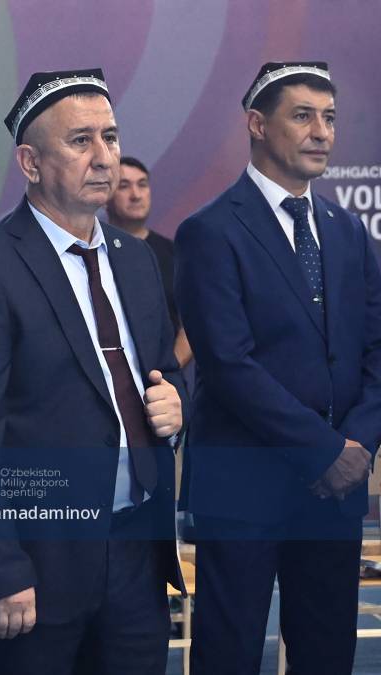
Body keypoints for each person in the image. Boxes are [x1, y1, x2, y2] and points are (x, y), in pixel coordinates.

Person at [0, 68, 186, 674]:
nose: (104, 157)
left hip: (136, 558)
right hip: (33, 568)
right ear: (30, 162)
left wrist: (177, 404)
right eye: (80, 141)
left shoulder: (138, 261)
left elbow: (162, 376)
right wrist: (1, 568)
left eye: (111, 137)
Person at [175, 61, 381, 674]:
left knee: (327, 654)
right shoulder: (209, 231)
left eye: (330, 118)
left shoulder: (348, 232)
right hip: (245, 487)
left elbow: (378, 350)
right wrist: (325, 452)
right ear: (258, 125)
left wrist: (358, 446)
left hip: (336, 492)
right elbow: (229, 365)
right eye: (303, 116)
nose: (322, 132)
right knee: (230, 654)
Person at [105, 156, 191, 367]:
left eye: (142, 184)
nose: (135, 195)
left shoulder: (175, 253)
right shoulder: (90, 251)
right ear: (105, 195)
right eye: (124, 186)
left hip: (164, 381)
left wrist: (168, 372)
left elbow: (192, 323)